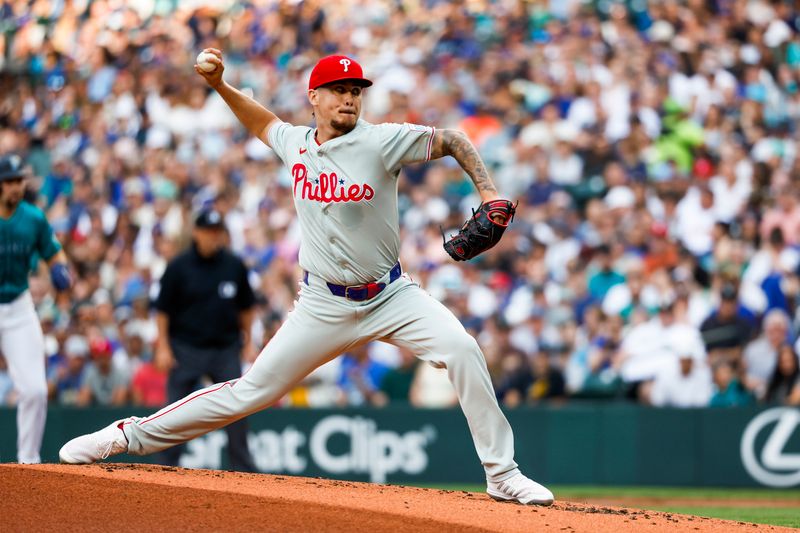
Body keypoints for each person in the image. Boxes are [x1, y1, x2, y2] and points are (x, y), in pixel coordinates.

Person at [59, 52, 554, 506]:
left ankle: (501, 473)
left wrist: (488, 191)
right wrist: (219, 85)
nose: (349, 98)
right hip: (323, 303)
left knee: (462, 349)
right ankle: (126, 436)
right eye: (338, 89)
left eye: (356, 90)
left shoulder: (380, 141)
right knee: (252, 390)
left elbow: (452, 138)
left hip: (391, 294)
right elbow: (262, 122)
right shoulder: (295, 141)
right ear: (313, 98)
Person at [151, 208, 258, 472]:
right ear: (196, 233)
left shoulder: (234, 265)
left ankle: (243, 470)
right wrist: (163, 346)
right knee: (174, 411)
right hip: (186, 348)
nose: (213, 236)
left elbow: (246, 307)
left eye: (217, 231)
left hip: (224, 348)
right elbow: (163, 310)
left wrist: (247, 342)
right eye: (208, 231)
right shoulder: (178, 266)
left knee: (237, 409)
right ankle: (165, 468)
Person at [0, 153, 72, 463]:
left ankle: (28, 462)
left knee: (35, 391)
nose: (16, 187)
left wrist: (60, 269)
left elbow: (55, 253)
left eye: (19, 180)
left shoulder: (33, 218)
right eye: (10, 181)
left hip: (18, 305)